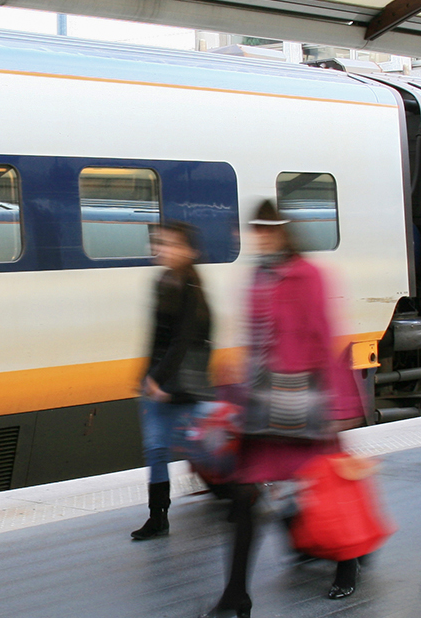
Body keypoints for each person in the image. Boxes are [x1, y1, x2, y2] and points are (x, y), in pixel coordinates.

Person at [205, 200, 362, 618]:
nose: (261, 237)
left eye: (267, 230)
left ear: (282, 231)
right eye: (256, 230)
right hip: (261, 405)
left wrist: (341, 402)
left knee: (326, 486)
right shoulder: (257, 277)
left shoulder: (308, 275)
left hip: (306, 402)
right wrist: (234, 391)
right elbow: (254, 342)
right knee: (242, 497)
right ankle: (236, 595)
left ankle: (347, 564)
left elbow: (324, 334)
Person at [130, 221, 212, 541]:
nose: (163, 249)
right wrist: (147, 376)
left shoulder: (192, 289)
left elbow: (184, 341)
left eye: (173, 244)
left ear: (190, 251)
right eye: (162, 243)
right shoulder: (163, 281)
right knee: (156, 451)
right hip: (160, 383)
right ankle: (158, 516)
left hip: (183, 388)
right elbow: (157, 336)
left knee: (206, 452)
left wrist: (158, 380)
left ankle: (240, 494)